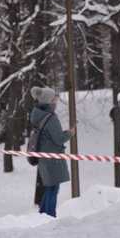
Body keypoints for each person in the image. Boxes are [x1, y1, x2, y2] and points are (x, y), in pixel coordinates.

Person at [29, 86, 75, 218]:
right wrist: (70, 133)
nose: (56, 100)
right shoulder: (50, 118)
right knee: (53, 188)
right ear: (49, 101)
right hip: (53, 159)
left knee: (49, 187)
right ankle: (50, 215)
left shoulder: (37, 115)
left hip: (44, 157)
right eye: (54, 98)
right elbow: (59, 138)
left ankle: (43, 214)